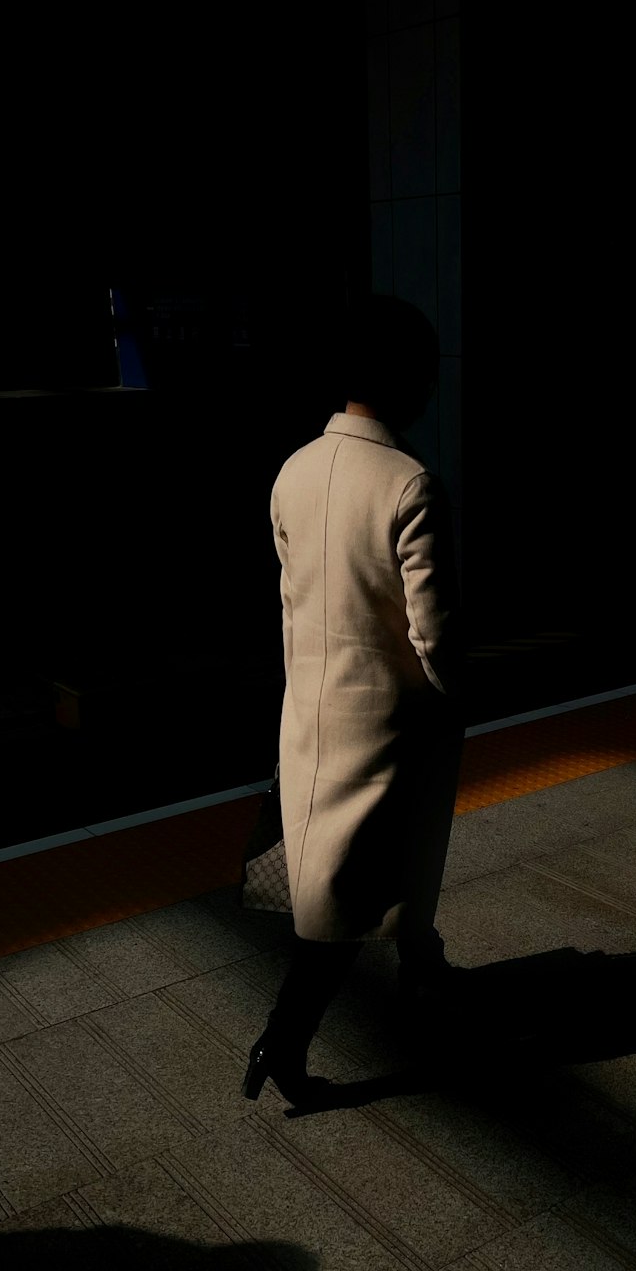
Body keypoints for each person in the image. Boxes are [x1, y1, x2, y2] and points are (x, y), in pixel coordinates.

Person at [242, 293, 464, 1107]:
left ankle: (425, 970)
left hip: (312, 715)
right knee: (346, 906)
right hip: (392, 730)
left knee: (341, 873)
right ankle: (283, 1040)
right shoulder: (412, 484)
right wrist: (457, 703)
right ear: (409, 380)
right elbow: (434, 636)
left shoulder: (292, 469)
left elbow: (295, 600)